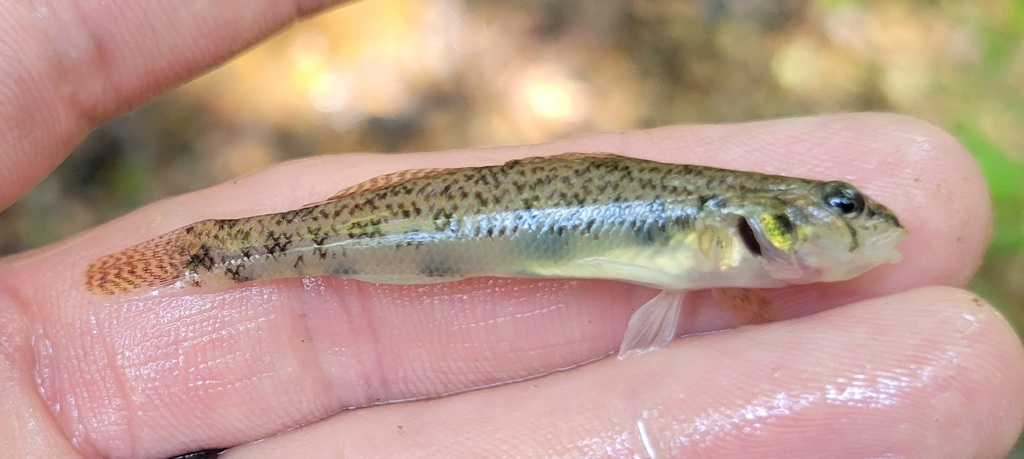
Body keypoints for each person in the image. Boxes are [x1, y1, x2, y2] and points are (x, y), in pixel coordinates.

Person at [0, 2, 1021, 458]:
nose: (863, 227)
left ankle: (223, 251)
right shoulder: (727, 225)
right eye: (841, 214)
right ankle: (214, 256)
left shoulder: (729, 226)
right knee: (290, 239)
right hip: (403, 230)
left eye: (843, 213)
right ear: (771, 227)